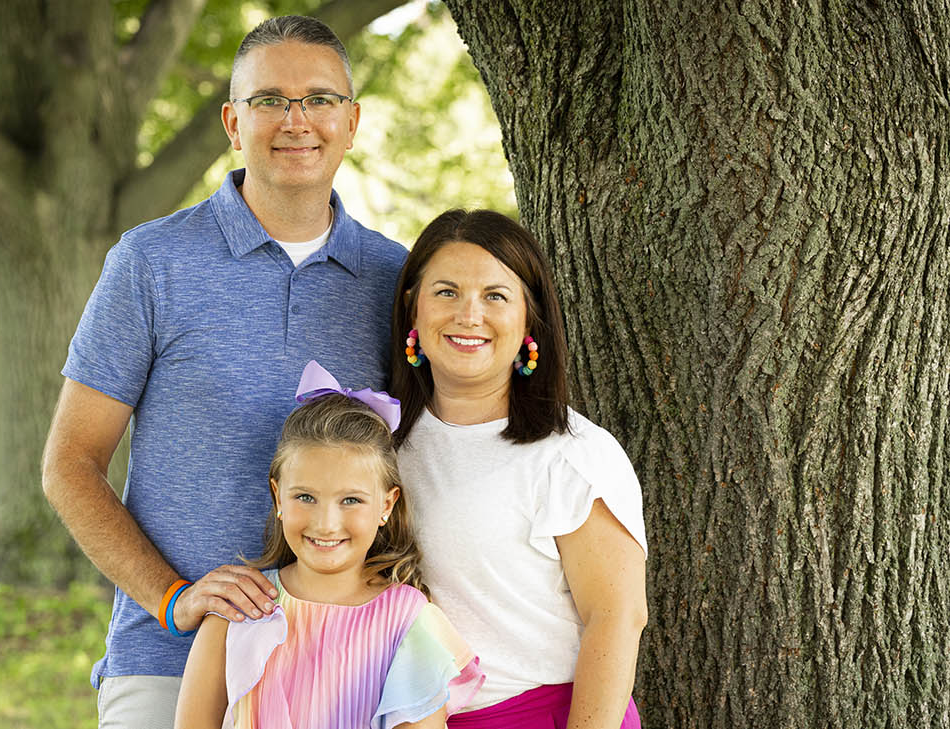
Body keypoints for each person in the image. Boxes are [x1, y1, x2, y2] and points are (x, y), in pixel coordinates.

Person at [40, 15, 408, 726]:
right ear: (233, 122)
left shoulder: (395, 279)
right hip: (168, 663)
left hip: (345, 660)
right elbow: (69, 463)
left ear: (353, 121)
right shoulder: (150, 263)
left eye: (320, 99)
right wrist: (173, 596)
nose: (296, 119)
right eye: (269, 99)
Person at [389, 210, 648, 728]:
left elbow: (617, 618)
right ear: (412, 309)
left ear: (529, 319)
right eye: (446, 292)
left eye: (495, 296)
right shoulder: (383, 446)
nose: (468, 314)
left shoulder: (572, 454)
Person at [174, 361, 483, 729]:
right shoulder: (238, 609)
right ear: (278, 497)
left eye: (350, 500)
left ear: (386, 504)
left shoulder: (408, 621)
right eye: (305, 497)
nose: (326, 523)